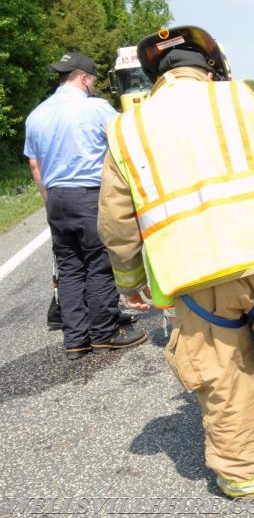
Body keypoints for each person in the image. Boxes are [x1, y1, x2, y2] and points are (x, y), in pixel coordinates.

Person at [97, 25, 254, 498]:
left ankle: (242, 475)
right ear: (208, 65)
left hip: (193, 277)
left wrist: (130, 280)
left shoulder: (127, 128)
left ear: (156, 75)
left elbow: (116, 220)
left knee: (220, 380)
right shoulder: (240, 100)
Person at [24, 52, 147, 360]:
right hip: (90, 194)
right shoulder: (96, 109)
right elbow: (125, 146)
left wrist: (50, 199)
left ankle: (76, 340)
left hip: (56, 198)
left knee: (69, 268)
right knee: (99, 263)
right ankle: (105, 332)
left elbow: (34, 165)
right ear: (85, 78)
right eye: (91, 81)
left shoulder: (37, 114)